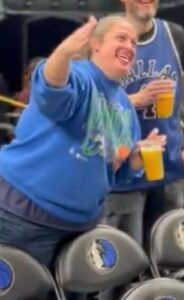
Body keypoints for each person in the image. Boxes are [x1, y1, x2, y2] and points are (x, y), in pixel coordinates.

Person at [0, 14, 166, 277]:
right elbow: (51, 89)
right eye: (121, 38)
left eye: (134, 43)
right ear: (96, 45)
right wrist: (65, 51)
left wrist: (138, 156)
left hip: (81, 229)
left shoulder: (125, 106)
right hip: (24, 218)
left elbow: (113, 173)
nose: (130, 46)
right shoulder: (80, 76)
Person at [103, 0, 184, 247]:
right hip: (124, 175)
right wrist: (136, 100)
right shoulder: (105, 37)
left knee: (173, 258)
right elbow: (90, 103)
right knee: (124, 266)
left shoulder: (175, 35)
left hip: (171, 171)